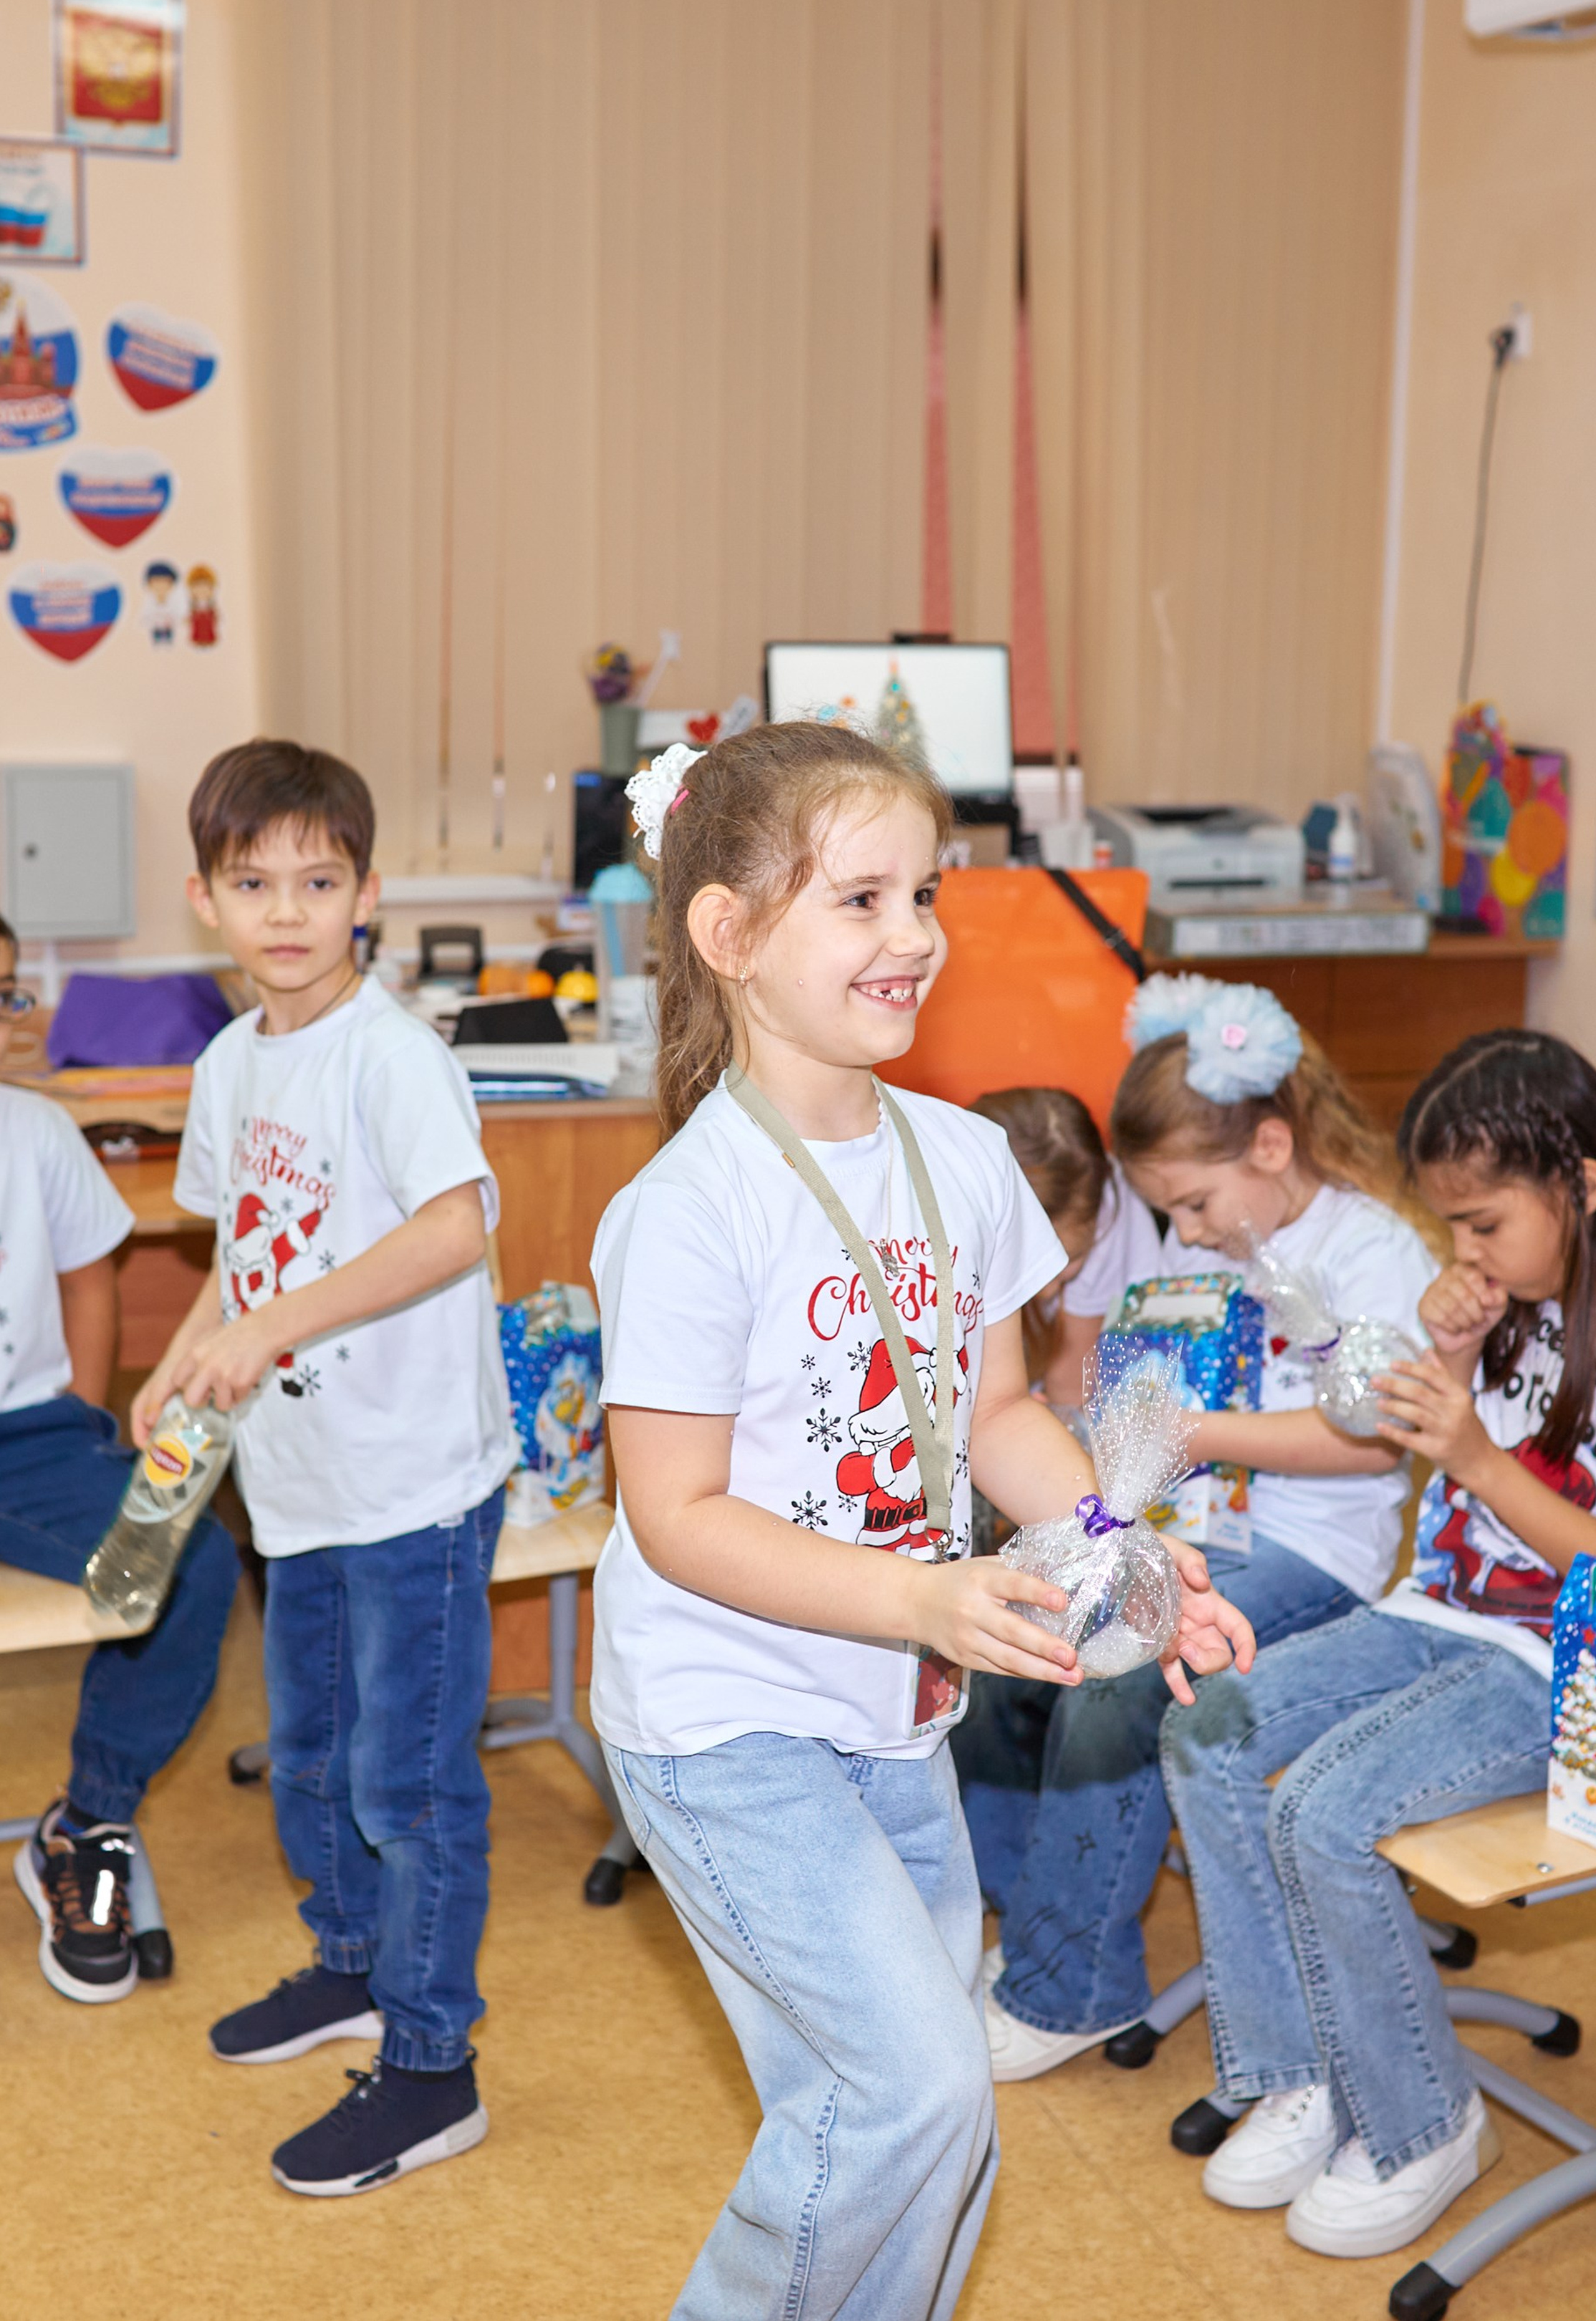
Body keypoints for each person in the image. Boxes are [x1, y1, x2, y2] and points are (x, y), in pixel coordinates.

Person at [589, 723, 1255, 2320]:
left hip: (893, 1712)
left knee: (917, 2097)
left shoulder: (960, 1160)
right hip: (722, 1720)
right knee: (911, 2097)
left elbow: (1001, 1417)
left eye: (925, 894)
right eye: (861, 900)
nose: (911, 939)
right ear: (729, 937)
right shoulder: (686, 1209)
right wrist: (923, 1599)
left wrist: (1125, 1550)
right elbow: (673, 1515)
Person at [133, 741, 516, 2198]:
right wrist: (183, 1357)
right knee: (305, 1758)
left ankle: (432, 2064)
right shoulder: (231, 1062)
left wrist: (272, 1322)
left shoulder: (391, 1053)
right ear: (204, 899)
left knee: (406, 1784)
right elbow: (240, 1251)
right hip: (296, 1483)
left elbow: (451, 1229)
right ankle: (351, 1966)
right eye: (251, 883)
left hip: (413, 1487)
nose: (285, 910)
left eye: (316, 879)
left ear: (368, 892)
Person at [1163, 1027, 1596, 2259]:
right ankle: (1302, 2069)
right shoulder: (1501, 1302)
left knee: (1323, 1815)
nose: (1461, 1250)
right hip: (1432, 1615)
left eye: (1480, 1224)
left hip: (1554, 1670)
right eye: (1447, 1226)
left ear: (1580, 1181)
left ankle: (1421, 2122)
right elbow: (1375, 1421)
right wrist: (1446, 1342)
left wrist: (1471, 1454)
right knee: (1204, 1725)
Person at [957, 973, 1437, 2080]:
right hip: (1193, 1527)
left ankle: (1067, 1985)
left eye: (1195, 1203)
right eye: (1166, 1209)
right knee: (1009, 1624)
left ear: (1272, 1147)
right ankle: (1032, 1910)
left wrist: (1201, 1427)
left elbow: (1375, 1443)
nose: (1181, 1231)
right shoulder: (1203, 1248)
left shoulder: (1371, 1254)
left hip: (1315, 1550)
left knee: (1121, 1675)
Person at [0, 916, 239, 2002]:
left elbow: (91, 1279)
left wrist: (86, 1422)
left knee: (189, 1556)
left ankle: (88, 1822)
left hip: (28, 1443)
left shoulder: (34, 1131)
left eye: (6, 995)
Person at [968, 1085, 1161, 1407]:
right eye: (1029, 1268)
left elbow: (1072, 1383)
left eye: (1067, 1263)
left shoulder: (1107, 1211)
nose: (1048, 1291)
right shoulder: (953, 1217)